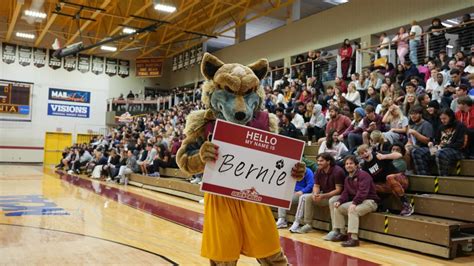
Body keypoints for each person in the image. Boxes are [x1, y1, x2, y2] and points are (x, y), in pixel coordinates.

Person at [289, 153, 345, 236]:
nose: (318, 163)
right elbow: (316, 186)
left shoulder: (337, 171)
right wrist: (315, 193)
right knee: (307, 197)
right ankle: (308, 224)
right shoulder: (319, 170)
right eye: (318, 161)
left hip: (338, 196)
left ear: (328, 161)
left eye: (321, 161)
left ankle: (335, 229)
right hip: (325, 194)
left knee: (332, 200)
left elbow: (338, 190)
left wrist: (323, 196)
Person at [331, 155, 379, 247]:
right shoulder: (347, 178)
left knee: (353, 210)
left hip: (370, 201)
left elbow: (363, 192)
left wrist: (354, 203)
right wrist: (340, 201)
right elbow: (345, 192)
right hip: (359, 201)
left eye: (351, 163)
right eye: (347, 164)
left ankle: (353, 239)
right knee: (338, 208)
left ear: (356, 165)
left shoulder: (364, 175)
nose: (348, 165)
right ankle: (342, 233)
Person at [357, 144, 414, 216]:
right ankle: (380, 205)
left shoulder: (379, 154)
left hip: (401, 180)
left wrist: (384, 157)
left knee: (389, 177)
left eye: (366, 151)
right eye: (362, 153)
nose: (365, 154)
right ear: (360, 156)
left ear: (370, 150)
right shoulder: (365, 167)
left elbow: (399, 155)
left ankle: (407, 205)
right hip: (388, 186)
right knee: (370, 185)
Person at [412, 108, 467, 176]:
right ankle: (424, 176)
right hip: (440, 149)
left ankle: (443, 178)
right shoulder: (441, 127)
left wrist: (442, 147)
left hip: (457, 151)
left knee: (440, 153)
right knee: (417, 152)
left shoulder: (460, 126)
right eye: (441, 119)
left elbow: (460, 144)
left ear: (451, 117)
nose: (442, 121)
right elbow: (437, 141)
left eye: (444, 118)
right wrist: (432, 143)